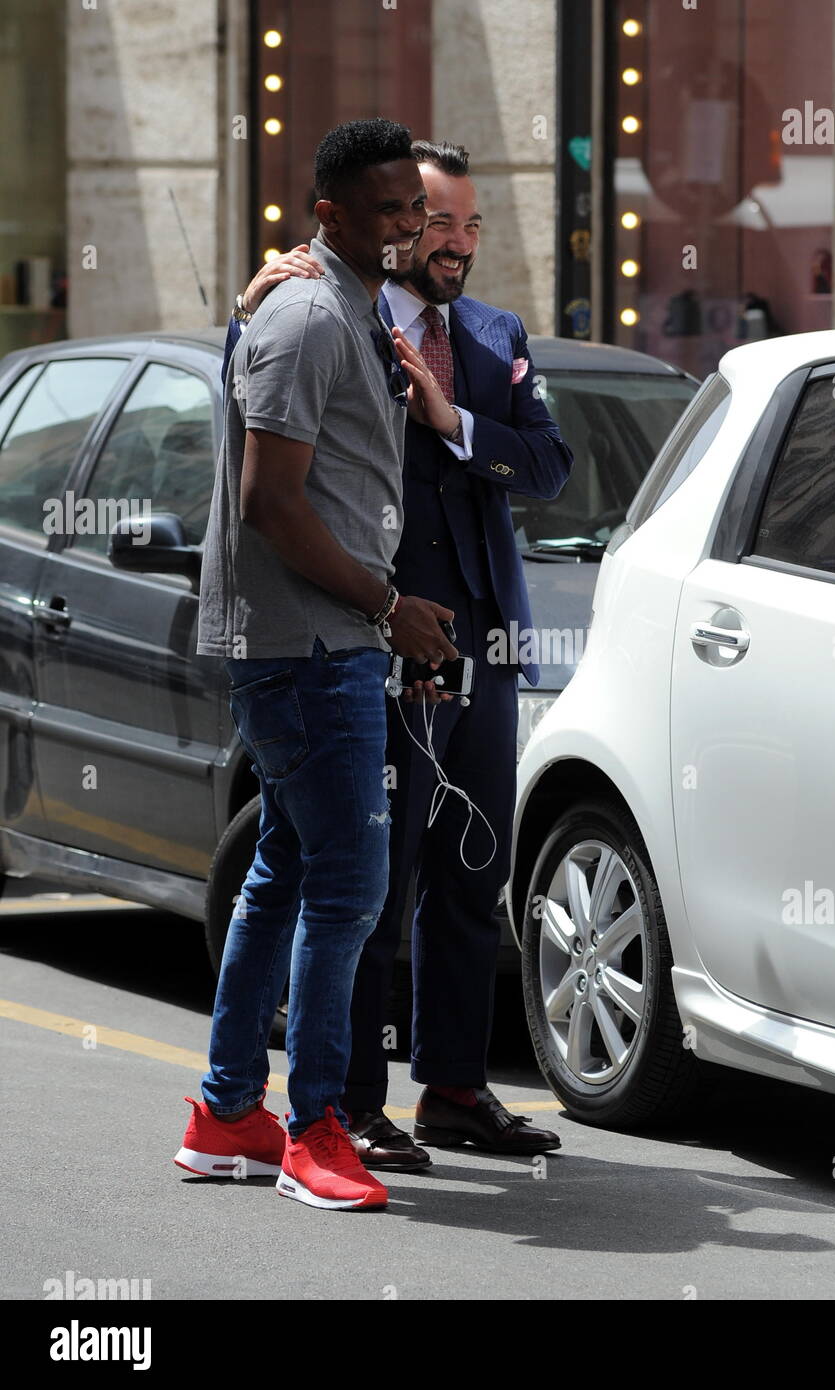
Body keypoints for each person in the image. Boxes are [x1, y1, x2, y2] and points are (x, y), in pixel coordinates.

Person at [229, 140, 573, 1167]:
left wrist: (454, 417)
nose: (450, 241)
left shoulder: (493, 332)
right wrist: (244, 307)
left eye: (468, 224)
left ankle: (455, 1088)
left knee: (474, 872)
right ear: (391, 220)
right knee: (374, 875)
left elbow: (546, 466)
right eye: (432, 220)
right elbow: (258, 417)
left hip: (484, 637)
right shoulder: (327, 304)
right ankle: (354, 1104)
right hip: (377, 633)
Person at [175, 118, 457, 1210]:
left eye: (415, 209)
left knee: (285, 875)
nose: (408, 225)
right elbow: (268, 502)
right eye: (387, 209)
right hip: (303, 645)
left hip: (326, 637)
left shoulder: (342, 304)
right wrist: (388, 606)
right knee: (347, 885)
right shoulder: (302, 310)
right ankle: (314, 1130)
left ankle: (226, 1113)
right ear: (328, 213)